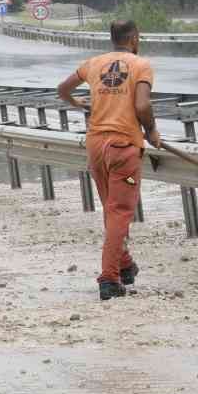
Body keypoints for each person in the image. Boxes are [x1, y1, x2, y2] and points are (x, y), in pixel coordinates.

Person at [57, 19, 160, 300]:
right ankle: (109, 277)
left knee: (111, 210)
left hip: (96, 146)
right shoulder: (141, 65)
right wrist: (150, 129)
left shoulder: (93, 63)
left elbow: (62, 89)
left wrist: (79, 104)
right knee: (119, 212)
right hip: (123, 146)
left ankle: (125, 265)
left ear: (112, 38)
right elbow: (142, 105)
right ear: (135, 38)